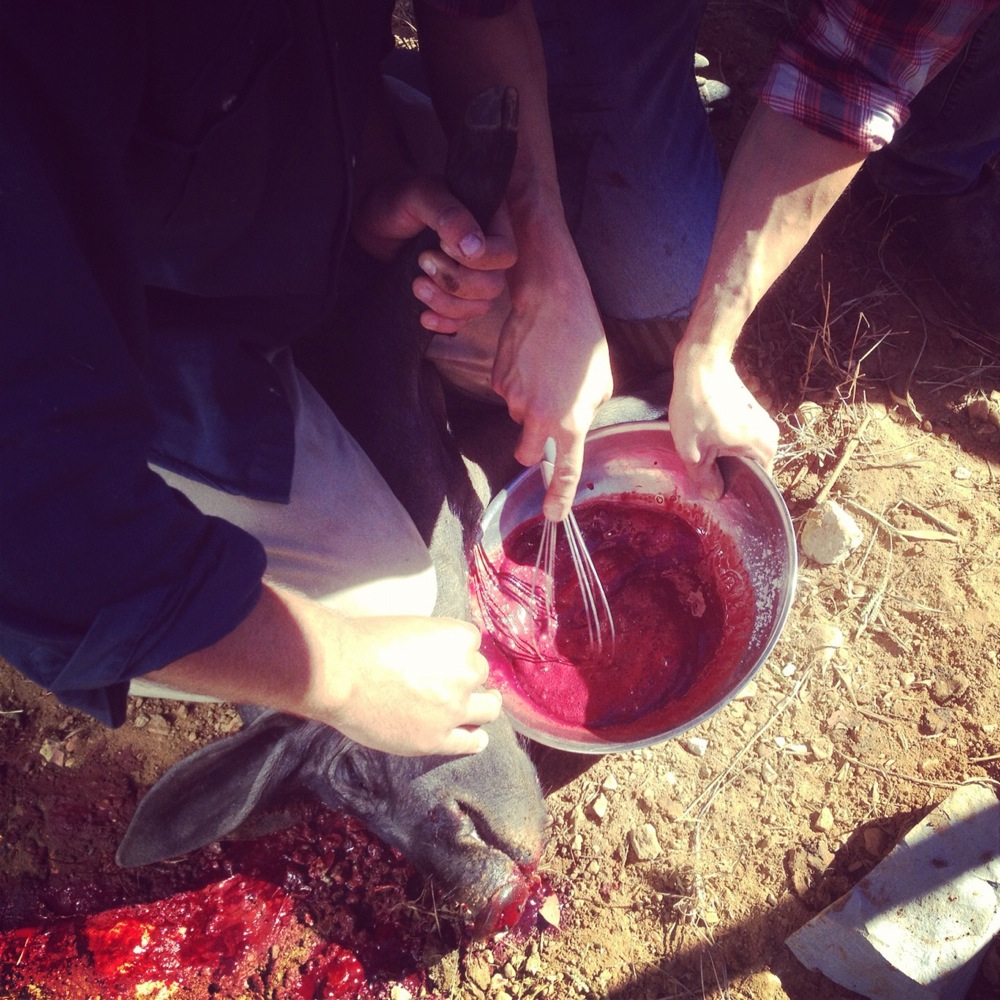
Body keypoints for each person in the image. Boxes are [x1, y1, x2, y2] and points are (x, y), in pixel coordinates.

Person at [0, 0, 591, 758]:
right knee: (386, 602)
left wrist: (540, 269)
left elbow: (474, 12)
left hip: (295, 216)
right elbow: (42, 529)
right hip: (147, 337)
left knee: (515, 319)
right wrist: (344, 674)